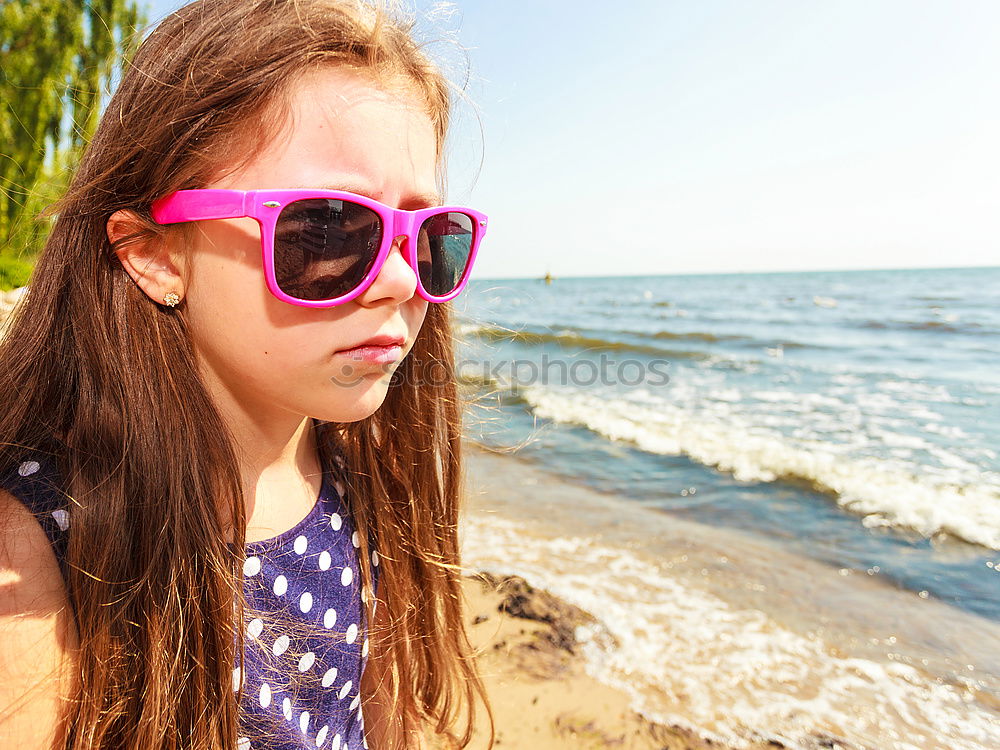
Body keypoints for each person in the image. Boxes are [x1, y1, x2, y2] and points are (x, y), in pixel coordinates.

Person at [0, 1, 494, 748]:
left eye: (429, 237)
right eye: (327, 228)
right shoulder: (35, 551)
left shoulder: (367, 484)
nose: (400, 281)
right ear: (155, 254)